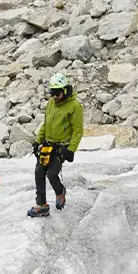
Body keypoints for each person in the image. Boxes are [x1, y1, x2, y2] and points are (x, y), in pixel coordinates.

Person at [28, 72, 84, 217]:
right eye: (52, 93)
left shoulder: (74, 106)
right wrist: (38, 141)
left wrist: (70, 150)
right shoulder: (51, 103)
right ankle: (42, 205)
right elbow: (46, 124)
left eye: (58, 93)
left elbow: (78, 131)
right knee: (39, 172)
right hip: (48, 144)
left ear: (65, 91)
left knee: (52, 173)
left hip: (62, 147)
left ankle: (60, 192)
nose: (55, 97)